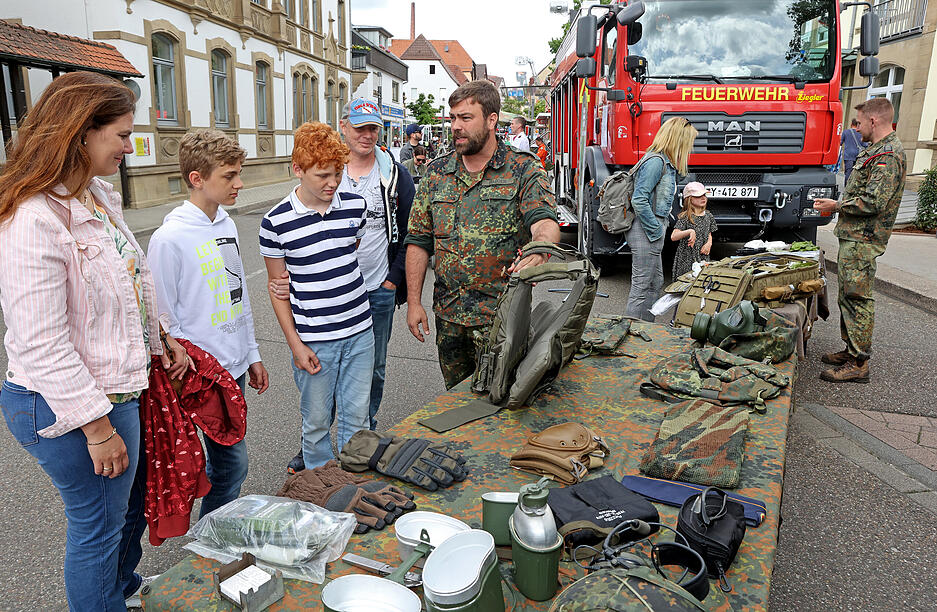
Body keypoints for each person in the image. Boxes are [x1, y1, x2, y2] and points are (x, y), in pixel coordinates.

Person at [0, 71, 189, 611]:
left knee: (122, 511)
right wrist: (99, 428)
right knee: (96, 529)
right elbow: (41, 344)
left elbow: (132, 283)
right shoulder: (32, 219)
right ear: (81, 133)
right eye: (122, 135)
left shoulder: (95, 198)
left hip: (112, 390)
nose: (131, 148)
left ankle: (118, 592)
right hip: (66, 407)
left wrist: (162, 338)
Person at [404, 79, 560, 389]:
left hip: (501, 319)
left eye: (465, 118)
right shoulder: (437, 172)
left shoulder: (522, 169)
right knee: (456, 402)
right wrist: (413, 302)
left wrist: (540, 249)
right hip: (449, 318)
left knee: (504, 401)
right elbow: (419, 241)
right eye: (452, 118)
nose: (456, 127)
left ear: (491, 120)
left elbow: (544, 220)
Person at [147, 129, 269, 517]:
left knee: (226, 465)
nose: (239, 183)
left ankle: (212, 535)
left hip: (234, 368)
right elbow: (162, 316)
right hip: (202, 374)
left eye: (239, 173)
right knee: (230, 465)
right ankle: (210, 538)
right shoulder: (170, 238)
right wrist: (195, 367)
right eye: (229, 175)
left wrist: (251, 353)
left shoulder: (227, 225)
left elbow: (238, 297)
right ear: (197, 179)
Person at [260, 122, 374, 469]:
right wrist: (295, 344)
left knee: (358, 422)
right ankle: (321, 494)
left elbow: (346, 253)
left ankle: (356, 490)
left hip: (359, 333)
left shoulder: (356, 207)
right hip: (314, 341)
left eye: (338, 174)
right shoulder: (275, 222)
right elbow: (277, 289)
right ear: (298, 169)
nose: (332, 183)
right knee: (316, 426)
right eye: (323, 175)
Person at [812, 97, 906, 383]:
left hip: (864, 239)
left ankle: (859, 362)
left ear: (874, 121)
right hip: (855, 236)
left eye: (861, 122)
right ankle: (851, 349)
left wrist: (836, 206)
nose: (858, 127)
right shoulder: (877, 149)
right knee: (849, 296)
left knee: (858, 298)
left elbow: (874, 201)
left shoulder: (888, 154)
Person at [625, 116, 698, 322]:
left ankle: (645, 329)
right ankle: (628, 335)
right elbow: (639, 200)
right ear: (678, 140)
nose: (690, 147)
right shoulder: (656, 162)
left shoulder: (665, 162)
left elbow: (678, 179)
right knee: (641, 286)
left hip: (650, 228)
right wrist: (656, 230)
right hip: (645, 228)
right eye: (688, 142)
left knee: (654, 283)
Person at [670, 181, 717, 279]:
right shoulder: (686, 217)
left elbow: (709, 233)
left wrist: (709, 243)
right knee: (686, 283)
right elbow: (674, 236)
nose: (703, 198)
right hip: (687, 258)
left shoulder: (709, 216)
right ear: (689, 199)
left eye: (704, 195)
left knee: (702, 282)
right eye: (698, 196)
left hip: (703, 256)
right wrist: (690, 231)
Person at [841, 118, 867, 184]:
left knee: (848, 172)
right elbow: (865, 144)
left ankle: (846, 188)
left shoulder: (845, 132)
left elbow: (840, 143)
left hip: (848, 155)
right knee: (856, 173)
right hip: (858, 155)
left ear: (851, 124)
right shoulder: (861, 133)